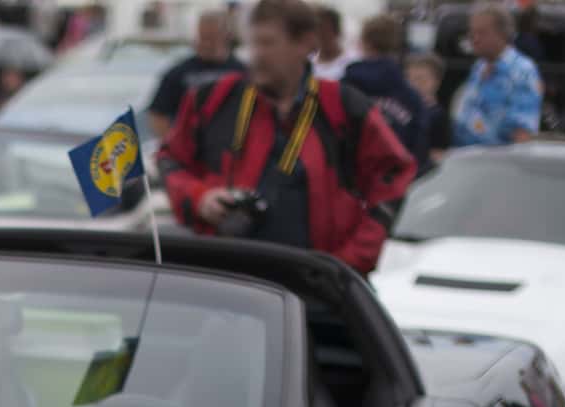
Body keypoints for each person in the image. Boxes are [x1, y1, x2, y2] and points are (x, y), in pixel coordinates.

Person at [157, 0, 415, 273]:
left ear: (306, 44)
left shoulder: (343, 106)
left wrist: (351, 260)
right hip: (228, 277)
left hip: (314, 282)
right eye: (253, 43)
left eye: (268, 43)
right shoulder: (213, 100)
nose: (257, 54)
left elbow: (394, 176)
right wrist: (199, 198)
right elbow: (170, 160)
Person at [345, 15, 429, 170]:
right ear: (396, 45)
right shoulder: (412, 98)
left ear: (365, 42)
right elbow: (419, 149)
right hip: (395, 178)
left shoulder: (343, 88)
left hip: (351, 175)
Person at [454, 3, 541, 147]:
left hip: (497, 159)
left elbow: (522, 133)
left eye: (482, 33)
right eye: (472, 33)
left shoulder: (523, 71)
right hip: (465, 155)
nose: (474, 39)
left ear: (503, 34)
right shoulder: (479, 66)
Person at [148, 10, 245, 139]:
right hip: (190, 145)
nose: (206, 43)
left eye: (211, 37)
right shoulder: (179, 73)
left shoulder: (243, 72)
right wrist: (171, 144)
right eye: (202, 37)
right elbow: (158, 114)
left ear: (226, 36)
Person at [404, 52, 452, 169]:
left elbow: (438, 156)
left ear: (437, 81)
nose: (414, 85)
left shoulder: (438, 116)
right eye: (409, 79)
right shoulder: (402, 112)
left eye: (421, 79)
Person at [312, 5, 356, 77]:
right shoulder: (308, 61)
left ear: (337, 31)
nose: (320, 35)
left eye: (325, 30)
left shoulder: (353, 62)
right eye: (316, 30)